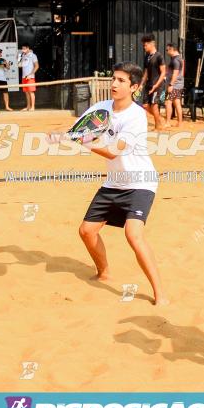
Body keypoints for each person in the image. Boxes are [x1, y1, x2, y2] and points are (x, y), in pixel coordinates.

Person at [62, 62, 168, 306]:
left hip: (140, 182)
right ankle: (104, 272)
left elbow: (113, 152)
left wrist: (81, 141)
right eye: (113, 78)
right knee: (86, 231)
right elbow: (77, 129)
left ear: (134, 87)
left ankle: (159, 293)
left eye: (121, 80)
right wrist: (65, 134)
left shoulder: (137, 116)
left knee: (133, 235)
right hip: (114, 183)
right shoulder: (101, 107)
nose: (114, 84)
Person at [140, 35, 166, 130]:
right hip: (149, 84)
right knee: (145, 105)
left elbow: (163, 72)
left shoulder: (159, 56)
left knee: (154, 105)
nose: (144, 47)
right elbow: (146, 72)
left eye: (146, 45)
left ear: (152, 44)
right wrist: (141, 84)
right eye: (143, 45)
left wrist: (156, 85)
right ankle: (159, 119)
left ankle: (157, 126)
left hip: (158, 84)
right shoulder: (146, 56)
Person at [163, 43, 185, 127]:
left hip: (174, 85)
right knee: (177, 103)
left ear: (172, 49)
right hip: (179, 85)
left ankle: (168, 122)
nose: (167, 51)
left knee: (168, 103)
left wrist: (171, 84)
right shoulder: (179, 58)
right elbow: (180, 73)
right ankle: (180, 123)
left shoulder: (175, 60)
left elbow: (175, 73)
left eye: (167, 50)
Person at [18, 44, 39, 112]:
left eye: (24, 48)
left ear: (28, 48)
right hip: (24, 76)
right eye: (22, 48)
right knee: (26, 92)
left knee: (31, 92)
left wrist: (31, 74)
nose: (22, 50)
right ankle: (28, 106)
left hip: (30, 77)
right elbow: (19, 66)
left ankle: (32, 107)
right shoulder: (23, 56)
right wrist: (19, 58)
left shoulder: (33, 55)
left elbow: (37, 66)